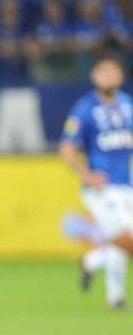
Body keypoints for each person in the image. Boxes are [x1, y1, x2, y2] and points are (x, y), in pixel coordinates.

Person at [60, 53, 133, 310]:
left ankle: (93, 265)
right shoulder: (85, 108)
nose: (109, 76)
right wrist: (85, 175)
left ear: (121, 76)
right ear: (94, 77)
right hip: (101, 188)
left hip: (127, 184)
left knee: (121, 239)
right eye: (104, 71)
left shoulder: (128, 105)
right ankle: (116, 296)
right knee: (124, 237)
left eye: (114, 71)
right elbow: (67, 147)